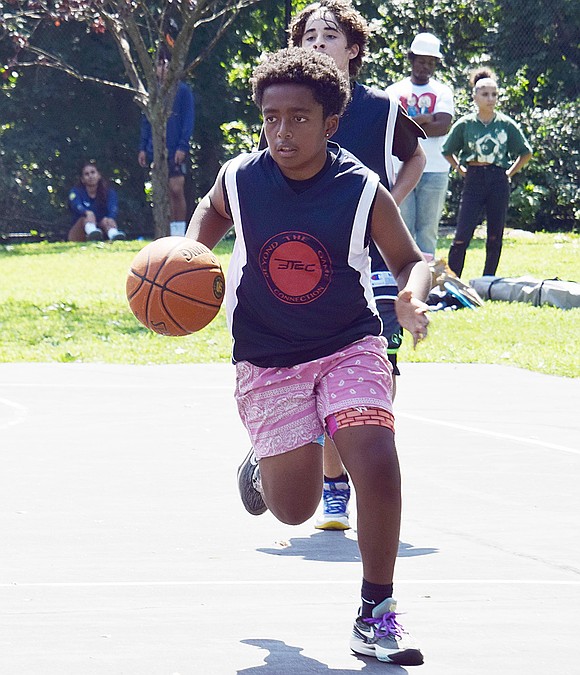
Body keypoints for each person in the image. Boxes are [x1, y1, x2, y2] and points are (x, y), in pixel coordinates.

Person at [186, 46, 430, 666]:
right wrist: (184, 259)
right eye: (271, 117)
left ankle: (377, 611)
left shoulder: (359, 189)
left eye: (299, 117)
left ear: (330, 123)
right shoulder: (241, 179)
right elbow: (208, 218)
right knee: (293, 509)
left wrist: (410, 295)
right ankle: (267, 460)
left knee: (375, 459)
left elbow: (410, 261)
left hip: (349, 342)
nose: (282, 130)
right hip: (268, 357)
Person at [274, 0, 426, 531]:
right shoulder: (284, 108)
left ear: (353, 48)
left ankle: (338, 479)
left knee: (375, 372)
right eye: (308, 36)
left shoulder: (381, 109)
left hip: (371, 260)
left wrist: (390, 199)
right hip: (304, 261)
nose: (317, 43)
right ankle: (319, 472)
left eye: (329, 35)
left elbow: (417, 156)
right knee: (309, 369)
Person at [443, 68, 532, 277]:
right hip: (473, 178)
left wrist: (509, 173)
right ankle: (453, 280)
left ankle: (488, 279)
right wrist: (461, 169)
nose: (490, 99)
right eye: (485, 94)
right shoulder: (465, 124)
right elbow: (447, 150)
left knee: (495, 234)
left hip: (498, 179)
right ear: (475, 97)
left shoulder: (506, 124)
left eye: (494, 94)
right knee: (462, 234)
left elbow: (525, 152)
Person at [386, 32, 455, 257]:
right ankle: (403, 276)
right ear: (411, 59)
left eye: (431, 62)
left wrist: (410, 124)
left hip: (435, 169)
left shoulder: (443, 91)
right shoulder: (394, 91)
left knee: (428, 231)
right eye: (422, 61)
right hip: (401, 168)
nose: (425, 66)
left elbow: (443, 127)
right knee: (401, 226)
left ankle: (427, 282)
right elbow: (393, 129)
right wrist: (426, 119)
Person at [138, 50, 195, 237]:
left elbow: (188, 120)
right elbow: (147, 121)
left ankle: (180, 231)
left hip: (175, 148)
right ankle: (166, 232)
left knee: (176, 190)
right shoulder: (152, 92)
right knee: (161, 192)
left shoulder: (182, 91)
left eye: (167, 64)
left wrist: (182, 146)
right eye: (159, 64)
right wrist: (143, 147)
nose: (163, 69)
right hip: (155, 149)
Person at [68, 161, 125, 242]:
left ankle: (114, 235)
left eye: (93, 172)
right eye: (86, 174)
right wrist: (86, 212)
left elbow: (113, 207)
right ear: (82, 179)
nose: (90, 176)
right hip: (80, 232)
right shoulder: (75, 191)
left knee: (107, 220)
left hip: (101, 228)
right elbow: (75, 204)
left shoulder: (108, 192)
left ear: (99, 175)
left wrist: (110, 218)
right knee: (86, 218)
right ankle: (92, 233)